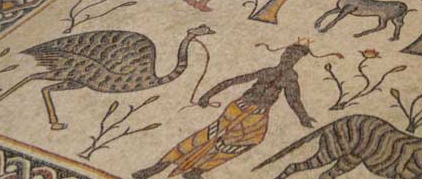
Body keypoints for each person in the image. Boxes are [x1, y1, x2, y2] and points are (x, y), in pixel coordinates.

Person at [132, 43, 315, 179]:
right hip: (245, 110)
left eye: (293, 56)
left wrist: (303, 117)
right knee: (212, 137)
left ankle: (194, 170)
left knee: (231, 139)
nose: (288, 58)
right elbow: (235, 81)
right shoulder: (276, 74)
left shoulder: (286, 76)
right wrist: (208, 95)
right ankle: (163, 167)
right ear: (284, 55)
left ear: (296, 60)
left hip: (254, 114)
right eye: (288, 54)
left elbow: (293, 99)